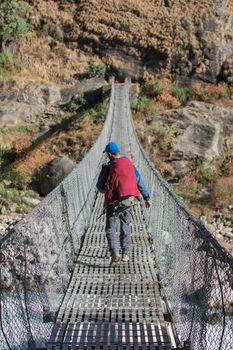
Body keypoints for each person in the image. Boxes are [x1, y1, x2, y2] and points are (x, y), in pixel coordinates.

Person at [96, 141, 151, 266]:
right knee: (125, 226)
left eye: (107, 154)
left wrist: (107, 187)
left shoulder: (108, 167)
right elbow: (139, 181)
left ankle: (115, 253)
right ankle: (126, 253)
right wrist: (147, 197)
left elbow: (99, 188)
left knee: (110, 228)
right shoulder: (129, 164)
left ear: (110, 154)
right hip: (128, 200)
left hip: (112, 202)